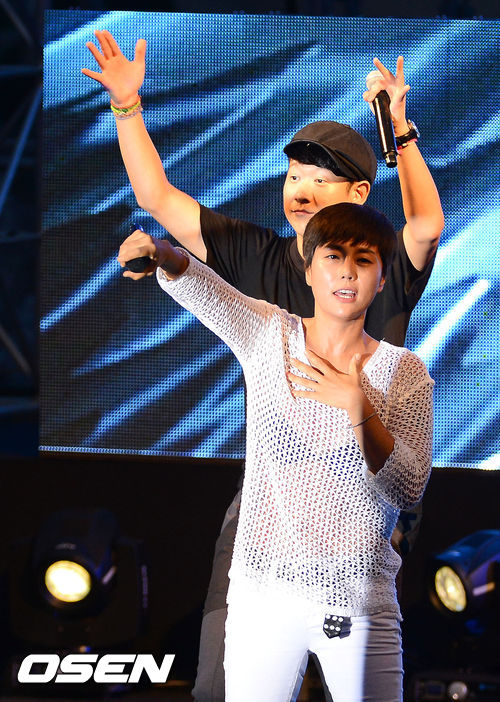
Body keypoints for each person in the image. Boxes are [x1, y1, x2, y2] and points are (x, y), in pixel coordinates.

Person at [82, 30, 444, 701]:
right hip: (271, 497)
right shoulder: (260, 265)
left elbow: (425, 226)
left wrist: (401, 130)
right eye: (293, 176)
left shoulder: (381, 269)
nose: (300, 190)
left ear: (360, 193)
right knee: (222, 683)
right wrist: (127, 107)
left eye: (320, 180)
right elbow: (162, 208)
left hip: (364, 506)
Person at [117, 201, 434, 702]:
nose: (346, 272)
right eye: (333, 256)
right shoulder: (271, 335)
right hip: (264, 590)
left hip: (358, 598)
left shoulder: (404, 371)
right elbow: (208, 291)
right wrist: (162, 253)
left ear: (381, 278)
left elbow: (408, 487)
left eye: (364, 260)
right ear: (308, 269)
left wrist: (358, 405)